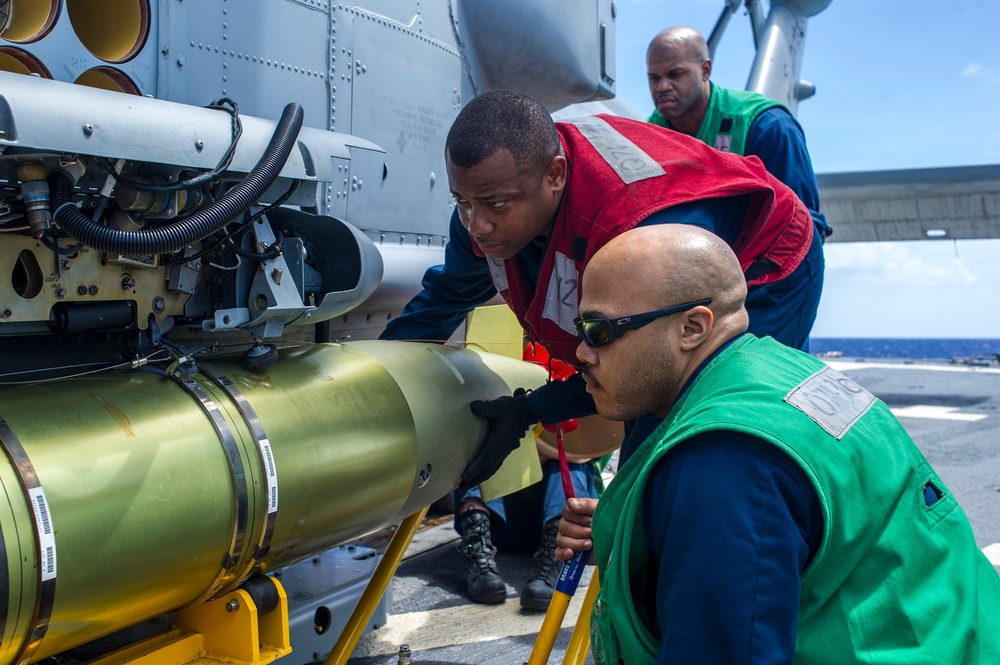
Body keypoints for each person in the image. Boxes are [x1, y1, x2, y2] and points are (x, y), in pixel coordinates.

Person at [379, 88, 821, 606]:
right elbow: (443, 299)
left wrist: (531, 409)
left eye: (494, 205)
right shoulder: (489, 204)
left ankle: (706, 597)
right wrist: (376, 380)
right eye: (462, 202)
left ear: (556, 176)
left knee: (690, 446)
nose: (477, 226)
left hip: (766, 265)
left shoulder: (634, 231)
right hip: (640, 290)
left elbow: (640, 372)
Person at [555, 224, 1000, 664]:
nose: (583, 351)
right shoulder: (782, 376)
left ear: (692, 327)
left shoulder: (722, 463)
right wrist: (648, 532)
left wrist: (703, 515)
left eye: (601, 331)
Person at [646, 26, 831, 243]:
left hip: (758, 267)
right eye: (654, 78)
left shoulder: (770, 127)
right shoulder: (645, 139)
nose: (662, 86)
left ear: (706, 70)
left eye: (675, 74)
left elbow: (804, 231)